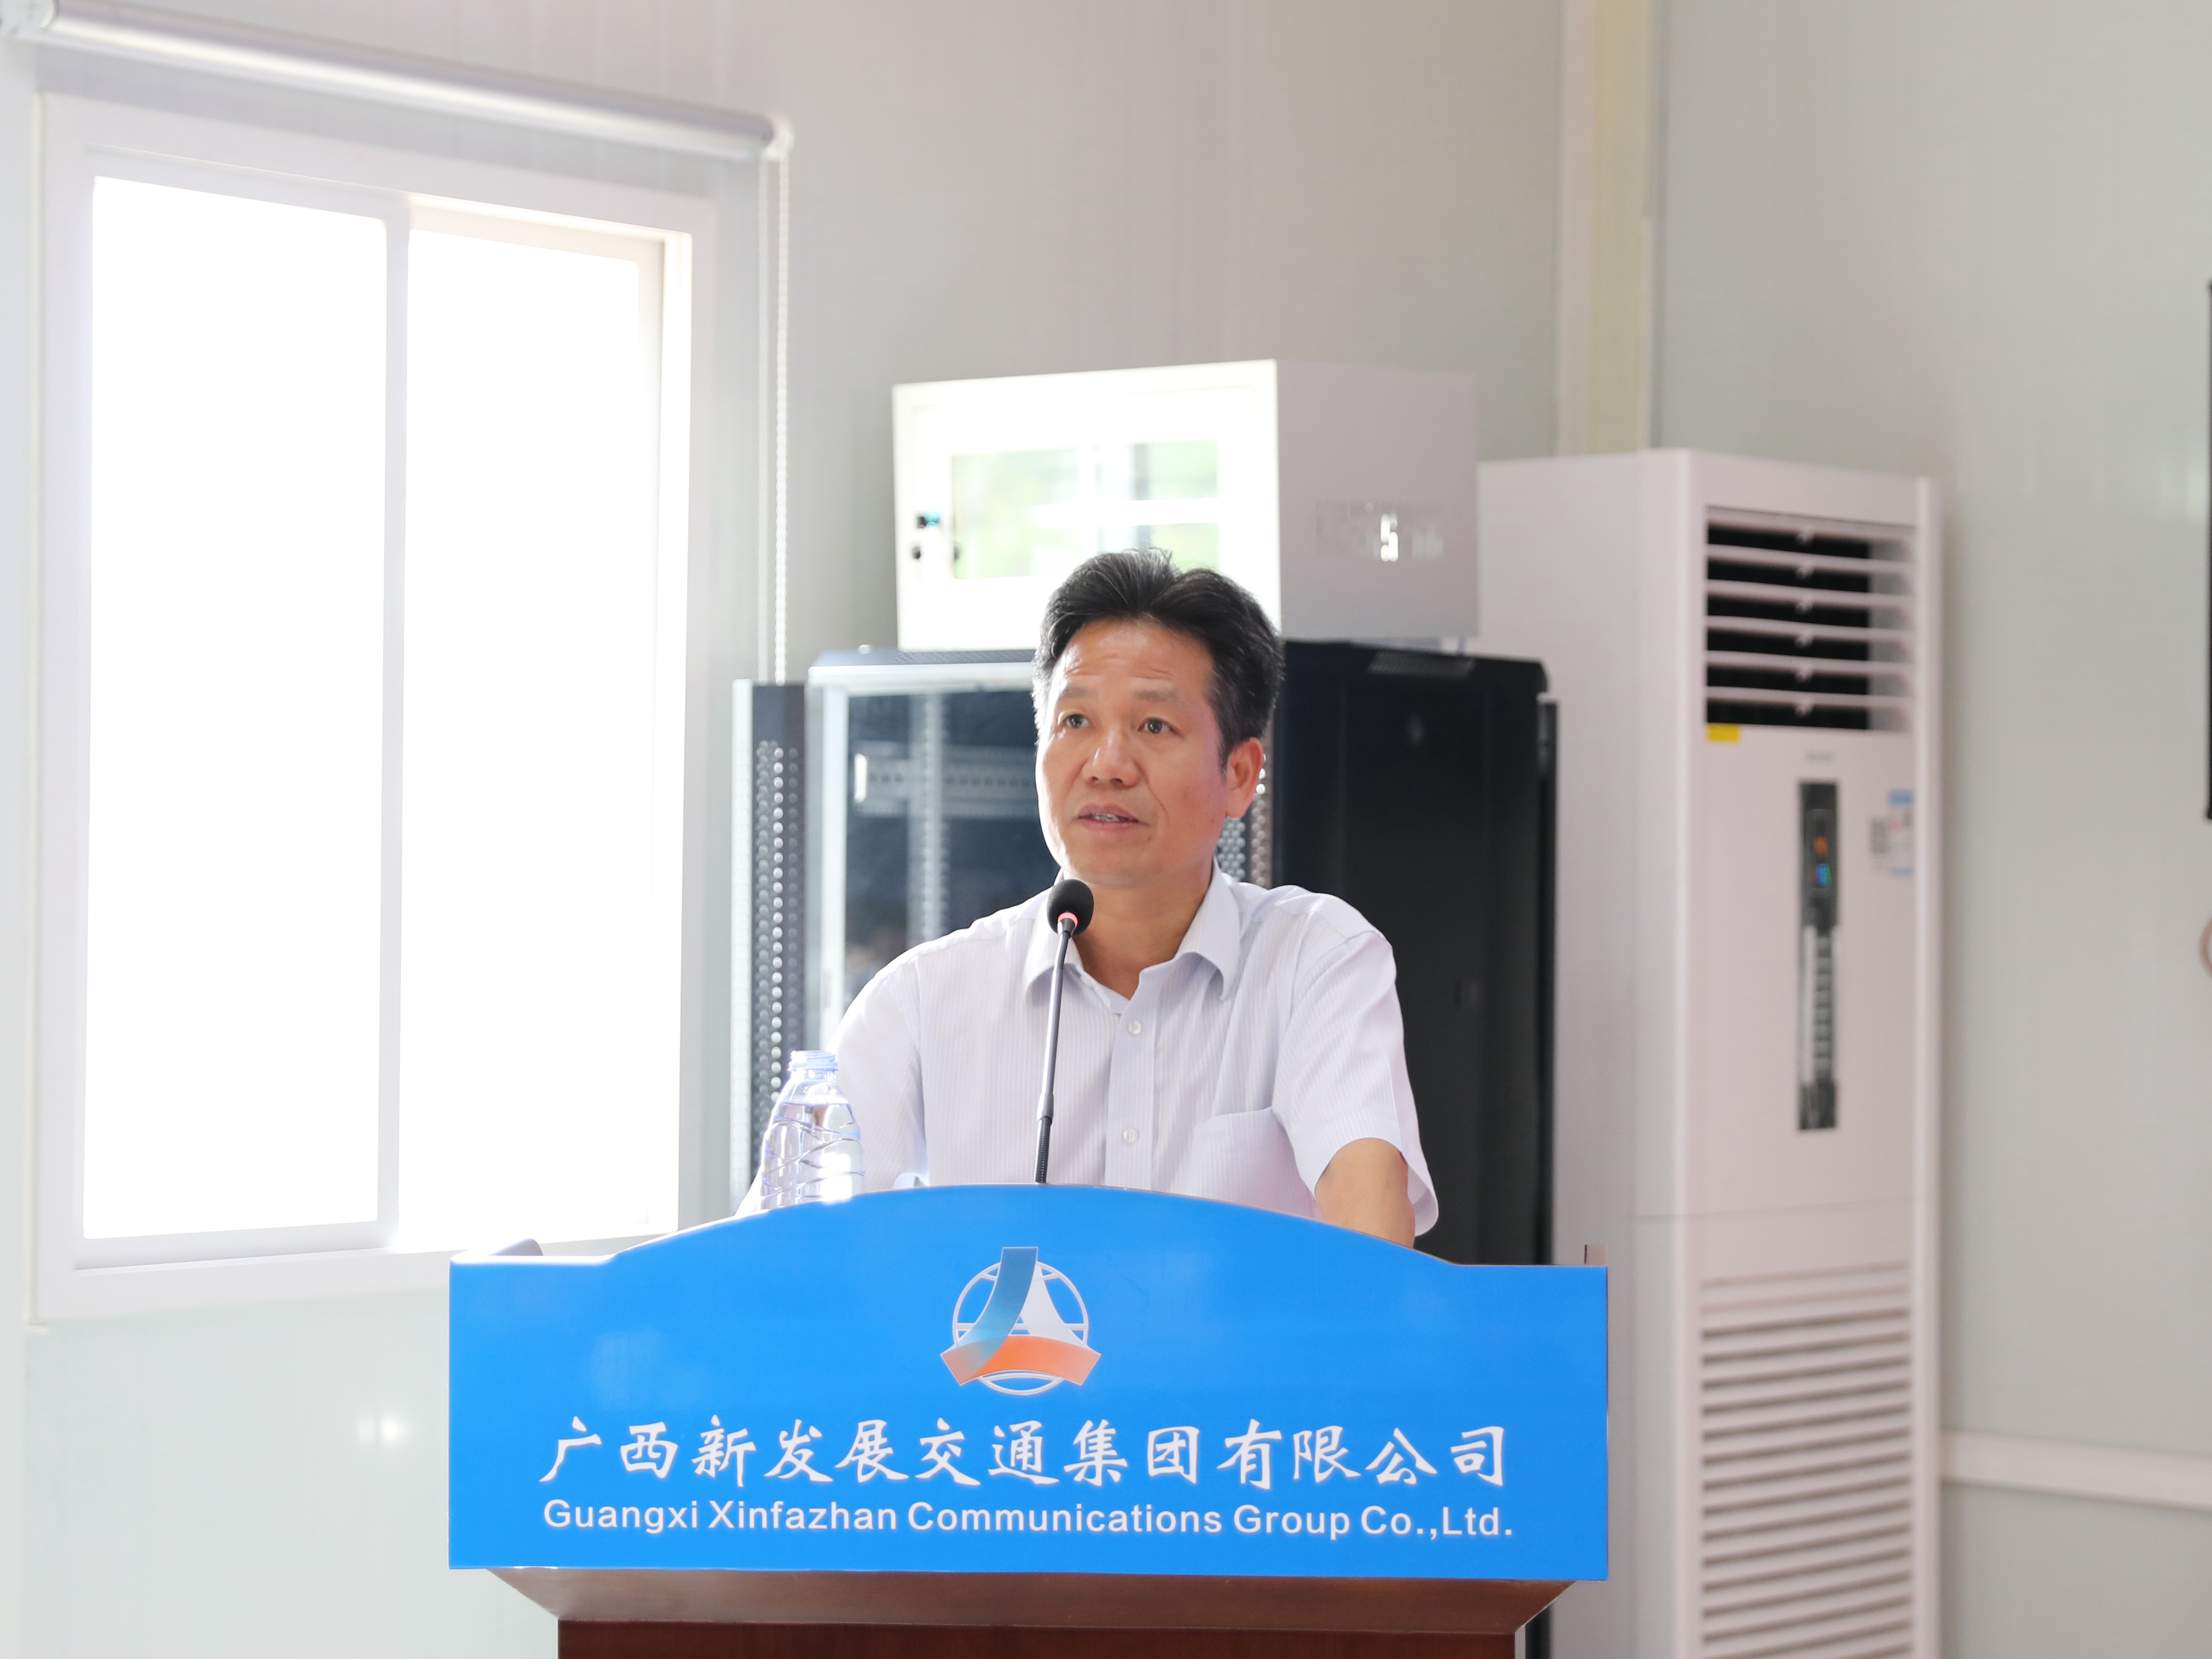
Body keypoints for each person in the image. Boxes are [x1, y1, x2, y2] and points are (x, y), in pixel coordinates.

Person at [808, 550, 1434, 1246]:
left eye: (1153, 726)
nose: (1106, 765)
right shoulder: (923, 999)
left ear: (1238, 774)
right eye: (1075, 721)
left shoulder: (1314, 961)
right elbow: (785, 1260)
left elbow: (1373, 1247)